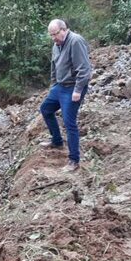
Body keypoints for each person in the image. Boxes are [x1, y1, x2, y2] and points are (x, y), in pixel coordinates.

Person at [39, 19, 92, 172]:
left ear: (64, 29)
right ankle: (56, 140)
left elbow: (84, 69)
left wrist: (77, 90)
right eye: (51, 35)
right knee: (46, 109)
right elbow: (54, 67)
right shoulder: (56, 45)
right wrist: (53, 85)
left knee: (69, 123)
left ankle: (74, 160)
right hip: (59, 86)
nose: (53, 38)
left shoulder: (75, 42)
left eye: (55, 34)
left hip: (72, 88)